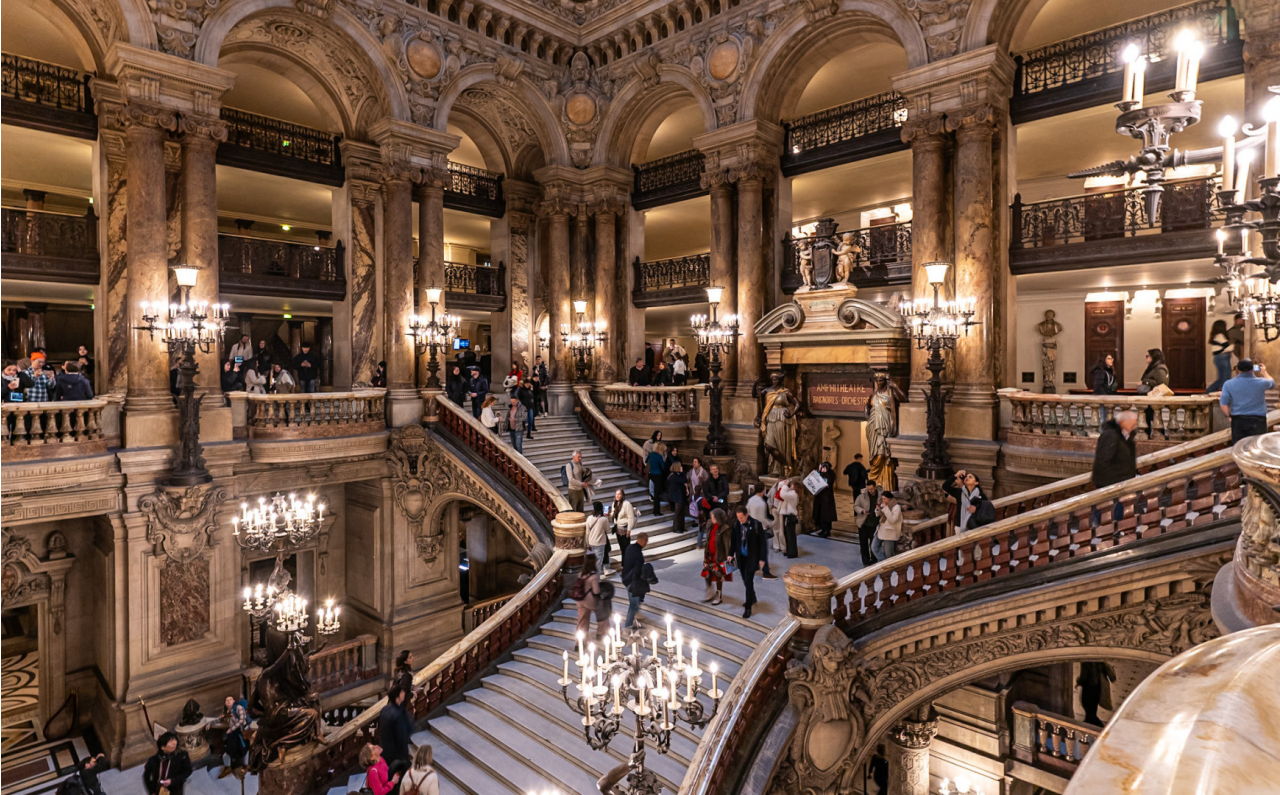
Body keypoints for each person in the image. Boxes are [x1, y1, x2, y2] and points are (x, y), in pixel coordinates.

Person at [1221, 360, 1274, 442]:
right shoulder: (1262, 382)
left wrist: (1228, 416)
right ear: (1252, 369)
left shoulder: (1228, 384)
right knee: (1257, 447)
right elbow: (1272, 383)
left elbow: (1223, 403)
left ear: (1238, 369)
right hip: (1258, 419)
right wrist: (1264, 372)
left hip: (1238, 420)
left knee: (1239, 448)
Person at [731, 506, 765, 618]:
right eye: (738, 517)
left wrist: (762, 558)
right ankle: (753, 597)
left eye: (741, 517)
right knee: (745, 579)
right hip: (741, 557)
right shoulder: (736, 524)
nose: (740, 520)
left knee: (749, 580)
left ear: (746, 515)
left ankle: (748, 608)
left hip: (752, 557)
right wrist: (730, 554)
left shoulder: (756, 524)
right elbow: (734, 540)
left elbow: (762, 543)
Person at [1092, 411, 1139, 488]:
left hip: (1123, 482)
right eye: (1132, 424)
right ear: (1123, 422)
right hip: (1111, 484)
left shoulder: (1127, 436)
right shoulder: (1110, 435)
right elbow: (1102, 460)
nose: (1134, 426)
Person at [378, 686, 414, 779]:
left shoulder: (384, 709)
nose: (404, 694)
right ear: (397, 697)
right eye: (402, 692)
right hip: (397, 755)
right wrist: (404, 758)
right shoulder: (399, 715)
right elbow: (401, 737)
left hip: (385, 751)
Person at [701, 507, 732, 604]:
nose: (711, 517)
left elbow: (727, 544)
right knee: (707, 573)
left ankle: (718, 596)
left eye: (713, 516)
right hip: (709, 555)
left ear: (718, 517)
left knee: (719, 576)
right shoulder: (710, 525)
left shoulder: (724, 529)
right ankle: (709, 591)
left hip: (719, 556)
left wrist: (728, 556)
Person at [573, 552, 604, 643]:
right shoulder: (594, 575)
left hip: (580, 600)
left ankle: (579, 643)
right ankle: (600, 634)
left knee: (582, 621)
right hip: (590, 600)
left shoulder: (581, 573)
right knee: (603, 615)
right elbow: (596, 591)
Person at [621, 532, 649, 631]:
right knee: (633, 605)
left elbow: (624, 562)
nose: (646, 543)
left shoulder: (629, 548)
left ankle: (636, 615)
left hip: (625, 578)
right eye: (646, 541)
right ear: (642, 540)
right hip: (632, 582)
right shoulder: (638, 554)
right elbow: (638, 570)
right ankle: (628, 626)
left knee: (635, 603)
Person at [1077, 661, 1117, 727]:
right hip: (1098, 687)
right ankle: (1091, 723)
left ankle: (1094, 725)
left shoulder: (1086, 661)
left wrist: (1079, 682)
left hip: (1088, 687)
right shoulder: (1100, 661)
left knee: (1088, 708)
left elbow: (1083, 675)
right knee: (1092, 708)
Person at [219, 695, 249, 779]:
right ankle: (228, 767)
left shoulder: (238, 708)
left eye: (230, 700)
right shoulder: (227, 710)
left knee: (244, 748)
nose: (228, 702)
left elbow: (242, 721)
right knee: (228, 749)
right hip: (233, 734)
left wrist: (232, 728)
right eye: (226, 700)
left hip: (240, 732)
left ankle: (245, 765)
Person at [853, 482, 881, 566]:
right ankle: (865, 561)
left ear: (875, 487)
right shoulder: (861, 497)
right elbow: (856, 506)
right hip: (864, 523)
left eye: (872, 489)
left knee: (874, 544)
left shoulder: (880, 496)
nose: (870, 491)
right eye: (868, 489)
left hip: (875, 523)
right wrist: (862, 511)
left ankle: (873, 559)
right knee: (863, 543)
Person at [872, 491, 902, 561]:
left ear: (890, 499)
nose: (883, 500)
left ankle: (886, 566)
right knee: (874, 547)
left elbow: (892, 520)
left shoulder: (896, 507)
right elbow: (879, 514)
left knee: (888, 554)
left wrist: (885, 508)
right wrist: (878, 509)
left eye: (884, 499)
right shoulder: (885, 505)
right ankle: (884, 563)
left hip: (889, 532)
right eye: (882, 499)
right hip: (881, 529)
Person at [811, 462, 838, 538]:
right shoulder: (820, 472)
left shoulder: (831, 473)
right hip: (819, 496)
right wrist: (819, 471)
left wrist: (825, 472)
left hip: (827, 497)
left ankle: (827, 530)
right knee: (820, 513)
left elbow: (829, 481)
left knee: (826, 514)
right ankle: (822, 529)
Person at [776, 478, 800, 558]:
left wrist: (785, 485)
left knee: (791, 535)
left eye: (792, 484)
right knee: (786, 534)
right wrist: (783, 483)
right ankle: (789, 550)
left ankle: (792, 553)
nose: (791, 485)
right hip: (786, 514)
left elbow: (783, 494)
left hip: (790, 516)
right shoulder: (790, 492)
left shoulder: (794, 494)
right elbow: (780, 491)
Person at [1207, 320, 1232, 392]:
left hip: (1219, 358)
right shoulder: (1220, 335)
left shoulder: (1215, 335)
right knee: (1224, 379)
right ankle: (1207, 392)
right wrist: (1233, 346)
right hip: (1222, 358)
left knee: (1222, 379)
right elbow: (1227, 346)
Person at [586, 502, 611, 572]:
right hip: (599, 543)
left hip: (591, 542)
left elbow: (587, 532)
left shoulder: (589, 518)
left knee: (592, 562)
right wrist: (607, 517)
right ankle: (597, 580)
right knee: (598, 562)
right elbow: (608, 530)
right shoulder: (604, 519)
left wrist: (587, 544)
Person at [611, 488, 635, 561]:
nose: (617, 496)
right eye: (616, 494)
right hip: (617, 528)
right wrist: (608, 514)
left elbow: (631, 517)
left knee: (626, 548)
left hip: (624, 529)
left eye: (619, 494)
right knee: (622, 547)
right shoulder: (614, 503)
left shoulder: (627, 504)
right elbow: (613, 514)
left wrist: (629, 530)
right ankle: (624, 563)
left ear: (622, 495)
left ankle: (627, 564)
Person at [667, 460, 688, 538]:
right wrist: (682, 473)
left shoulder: (677, 475)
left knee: (682, 512)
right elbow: (684, 480)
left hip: (680, 495)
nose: (681, 467)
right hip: (676, 496)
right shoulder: (674, 476)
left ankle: (681, 527)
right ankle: (676, 528)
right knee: (678, 512)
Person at [646, 442, 668, 516]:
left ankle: (655, 511)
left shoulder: (651, 454)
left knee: (655, 494)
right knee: (657, 494)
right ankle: (657, 511)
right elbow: (663, 467)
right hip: (658, 475)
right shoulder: (659, 456)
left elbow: (646, 461)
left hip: (651, 474)